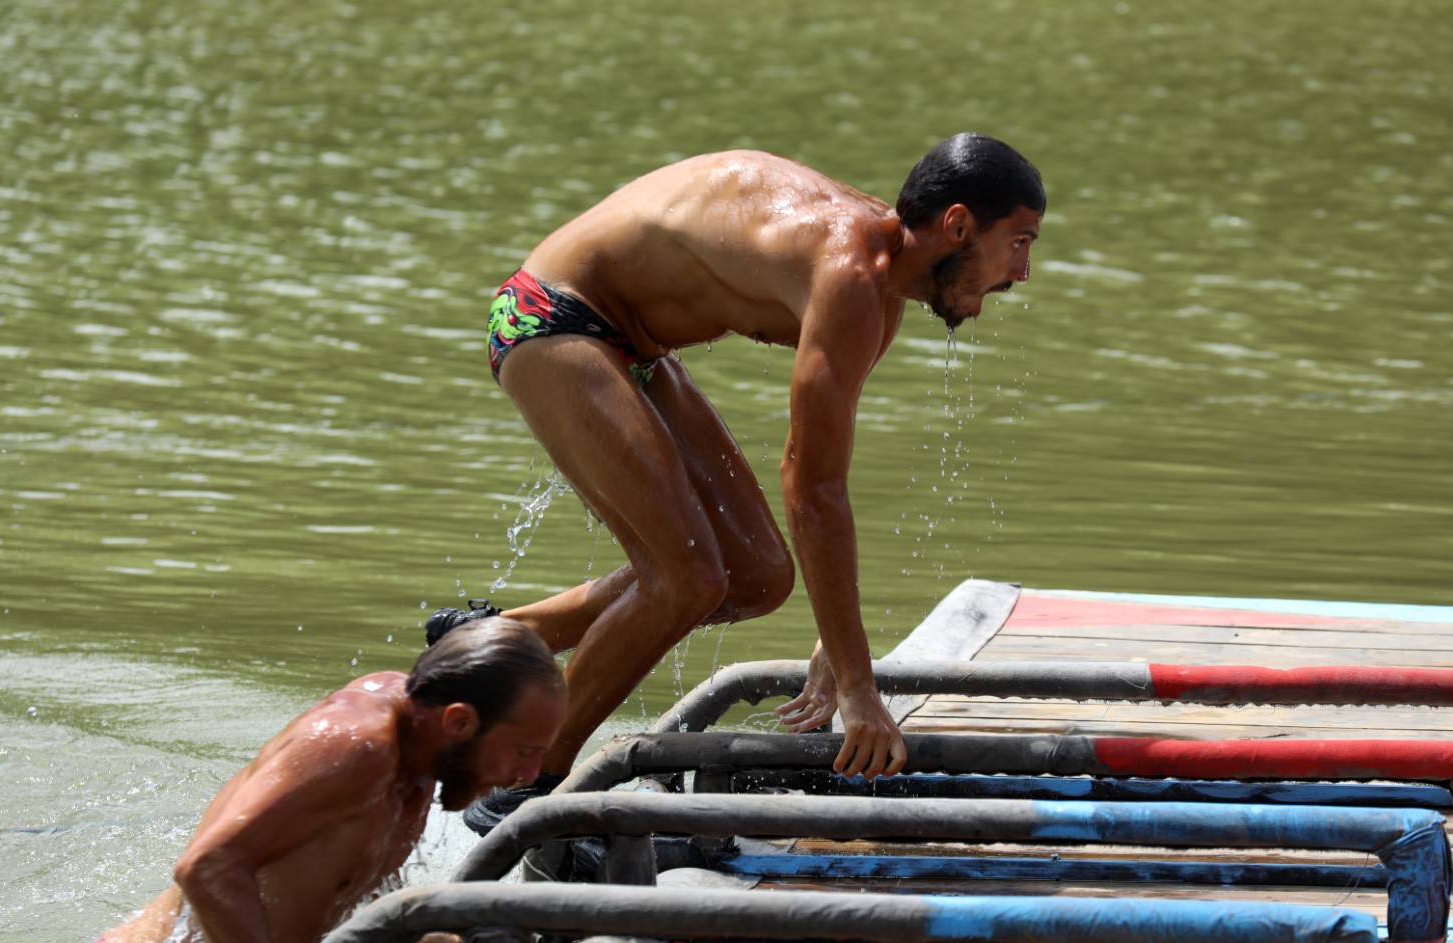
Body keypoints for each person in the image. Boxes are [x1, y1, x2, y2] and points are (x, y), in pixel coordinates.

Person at [428, 132, 1045, 826]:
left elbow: (824, 476)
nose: (1022, 271)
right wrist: (856, 682)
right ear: (959, 224)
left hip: (630, 345)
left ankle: (493, 640)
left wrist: (838, 641)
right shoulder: (851, 273)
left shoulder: (880, 288)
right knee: (687, 576)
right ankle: (533, 786)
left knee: (756, 576)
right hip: (551, 316)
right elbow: (810, 491)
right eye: (1020, 242)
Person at [39, 618, 566, 943]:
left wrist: (411, 931)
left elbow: (348, 859)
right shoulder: (356, 745)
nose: (528, 776)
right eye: (524, 752)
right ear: (458, 722)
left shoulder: (420, 743)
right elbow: (206, 867)